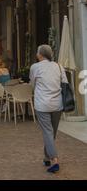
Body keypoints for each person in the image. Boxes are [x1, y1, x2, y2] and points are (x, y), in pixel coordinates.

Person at [30, 44, 68, 174]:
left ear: (40, 54)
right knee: (51, 133)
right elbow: (65, 84)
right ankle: (47, 157)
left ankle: (54, 160)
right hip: (57, 105)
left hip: (42, 104)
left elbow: (32, 84)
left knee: (48, 132)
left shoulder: (35, 67)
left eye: (37, 52)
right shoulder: (58, 66)